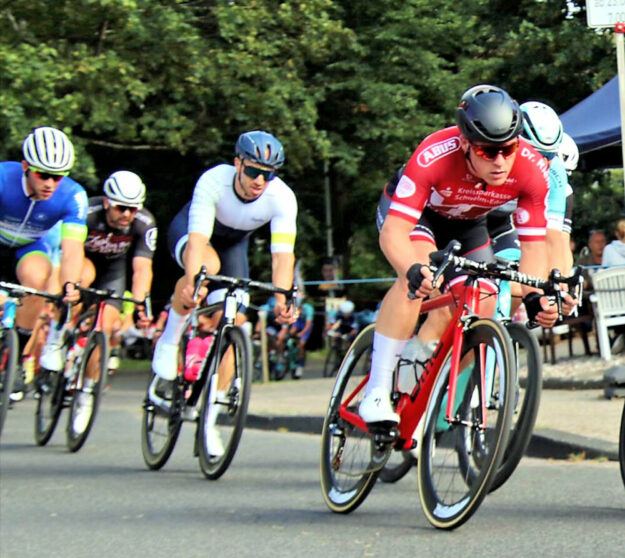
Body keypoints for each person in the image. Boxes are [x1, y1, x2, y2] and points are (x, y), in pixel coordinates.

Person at [360, 85, 570, 426]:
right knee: (421, 280)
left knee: (483, 301)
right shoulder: (434, 154)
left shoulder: (532, 169)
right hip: (419, 218)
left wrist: (534, 296)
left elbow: (534, 246)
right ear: (465, 144)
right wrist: (410, 269)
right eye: (488, 152)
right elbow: (394, 232)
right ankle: (378, 390)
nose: (501, 161)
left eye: (508, 149)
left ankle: (425, 384)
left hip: (469, 225)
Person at [152, 130, 297, 455]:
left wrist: (282, 297)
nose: (260, 179)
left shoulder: (282, 197)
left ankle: (209, 422)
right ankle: (170, 339)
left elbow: (282, 255)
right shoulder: (214, 181)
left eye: (269, 174)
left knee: (235, 318)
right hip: (195, 237)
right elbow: (199, 241)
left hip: (234, 246)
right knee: (206, 274)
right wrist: (192, 281)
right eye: (253, 171)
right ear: (237, 164)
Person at [40, 170, 156, 430]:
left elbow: (142, 269)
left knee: (104, 328)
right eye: (120, 208)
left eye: (132, 209)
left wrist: (140, 305)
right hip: (84, 264)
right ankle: (57, 337)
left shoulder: (144, 223)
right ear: (106, 202)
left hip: (113, 274)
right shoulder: (87, 211)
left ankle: (86, 394)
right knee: (79, 279)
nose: (127, 214)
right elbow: (70, 253)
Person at [0, 126, 87, 394]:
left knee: (38, 281)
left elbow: (72, 249)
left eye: (58, 176)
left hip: (27, 248)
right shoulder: (3, 178)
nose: (50, 183)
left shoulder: (73, 195)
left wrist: (70, 285)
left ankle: (14, 357)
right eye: (43, 174)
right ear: (26, 166)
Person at [286, 294, 315, 379]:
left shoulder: (309, 309)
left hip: (306, 324)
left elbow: (308, 325)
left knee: (301, 344)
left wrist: (301, 333)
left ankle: (300, 365)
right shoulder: (295, 308)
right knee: (290, 335)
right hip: (299, 322)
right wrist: (290, 333)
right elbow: (294, 324)